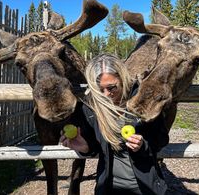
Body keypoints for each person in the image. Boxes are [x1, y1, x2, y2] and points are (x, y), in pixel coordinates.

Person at [59, 54, 169, 195]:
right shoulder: (92, 107)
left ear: (122, 79)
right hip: (108, 188)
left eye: (112, 88)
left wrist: (143, 146)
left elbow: (161, 139)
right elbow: (96, 147)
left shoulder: (143, 100)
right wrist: (85, 148)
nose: (105, 95)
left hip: (145, 186)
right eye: (100, 89)